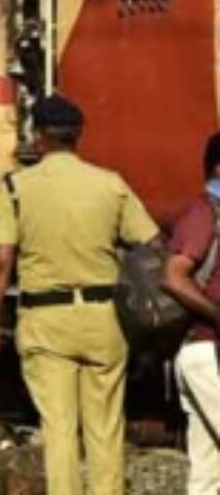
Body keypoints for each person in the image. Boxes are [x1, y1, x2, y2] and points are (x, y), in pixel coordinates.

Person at [0, 94, 159, 495]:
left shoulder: (16, 189)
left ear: (39, 137)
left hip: (46, 324)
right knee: (106, 429)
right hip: (103, 320)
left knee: (58, 430)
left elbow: (3, 259)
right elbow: (151, 242)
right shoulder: (110, 184)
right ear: (77, 136)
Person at [161, 132, 220, 495]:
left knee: (208, 470)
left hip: (206, 353)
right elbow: (173, 276)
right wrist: (217, 314)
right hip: (206, 352)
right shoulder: (204, 213)